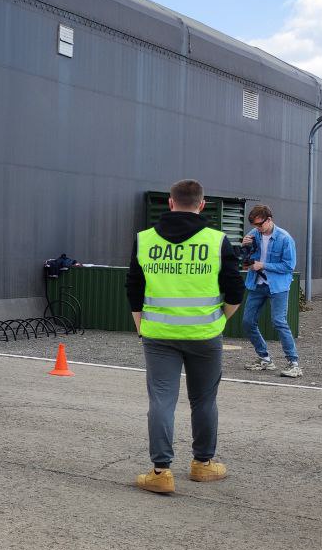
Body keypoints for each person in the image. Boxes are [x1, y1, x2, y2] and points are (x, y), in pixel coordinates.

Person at [126, 179, 243, 495]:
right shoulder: (217, 241)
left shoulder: (145, 240)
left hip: (159, 335)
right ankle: (202, 465)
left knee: (161, 400)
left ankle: (161, 472)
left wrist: (142, 324)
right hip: (205, 334)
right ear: (202, 204)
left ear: (170, 202)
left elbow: (134, 288)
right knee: (204, 399)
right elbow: (235, 290)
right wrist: (219, 320)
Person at [240, 205, 301, 377]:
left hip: (278, 286)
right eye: (255, 225)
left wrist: (264, 265)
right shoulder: (254, 234)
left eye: (260, 225)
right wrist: (244, 245)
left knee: (278, 322)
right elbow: (246, 257)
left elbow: (289, 266)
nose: (257, 228)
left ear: (269, 220)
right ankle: (265, 359)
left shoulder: (284, 238)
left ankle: (294, 363)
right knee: (247, 321)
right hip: (257, 283)